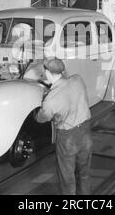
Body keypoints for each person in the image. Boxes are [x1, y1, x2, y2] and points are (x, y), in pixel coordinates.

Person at [35, 58, 92, 195]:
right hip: (86, 132)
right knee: (84, 174)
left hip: (68, 138)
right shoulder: (78, 80)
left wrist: (36, 113)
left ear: (48, 73)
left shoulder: (51, 99)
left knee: (67, 178)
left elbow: (43, 118)